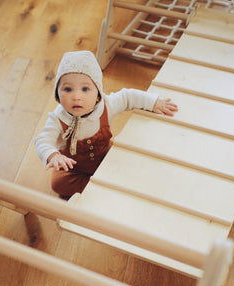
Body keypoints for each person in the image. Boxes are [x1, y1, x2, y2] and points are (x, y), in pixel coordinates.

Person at [34, 51, 178, 199]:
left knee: (131, 163)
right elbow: (42, 140)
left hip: (104, 156)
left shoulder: (107, 105)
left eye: (85, 89)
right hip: (74, 169)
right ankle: (99, 186)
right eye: (68, 89)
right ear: (57, 94)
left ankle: (103, 182)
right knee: (58, 184)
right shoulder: (58, 119)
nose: (76, 97)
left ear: (97, 93)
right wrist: (53, 155)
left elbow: (128, 96)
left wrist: (152, 102)